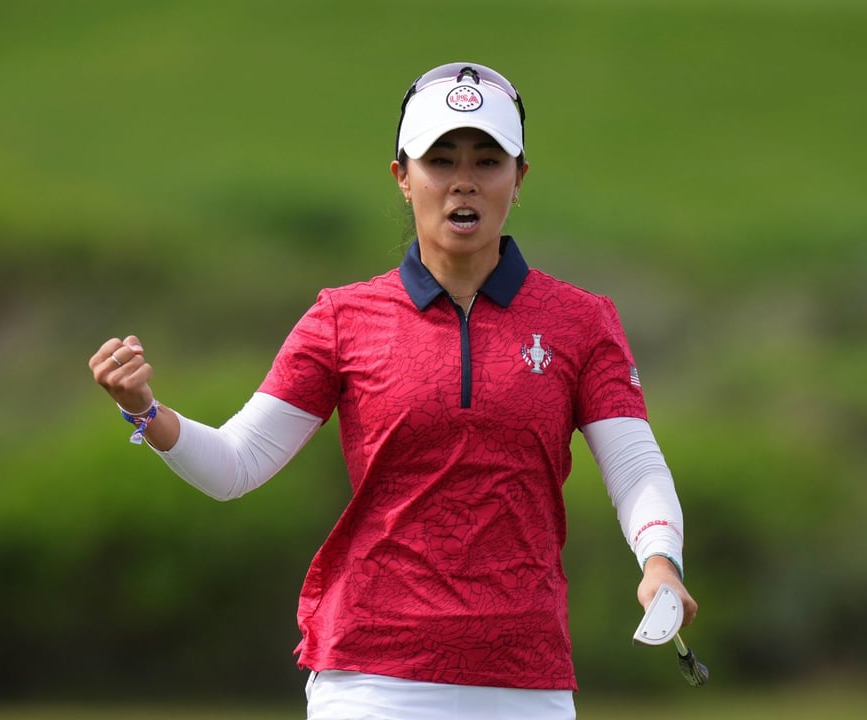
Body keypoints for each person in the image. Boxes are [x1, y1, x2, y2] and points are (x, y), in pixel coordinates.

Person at [88, 61, 697, 720]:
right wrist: (144, 412)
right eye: (440, 160)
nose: (463, 180)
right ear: (402, 177)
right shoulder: (342, 319)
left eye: (488, 160)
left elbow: (634, 466)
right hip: (371, 679)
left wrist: (661, 560)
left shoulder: (581, 321)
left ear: (518, 179)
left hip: (526, 678)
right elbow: (238, 464)